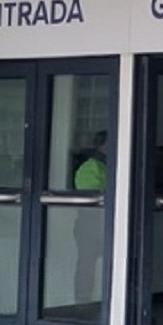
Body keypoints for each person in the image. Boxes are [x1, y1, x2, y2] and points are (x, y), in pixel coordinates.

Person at [73, 131, 108, 306]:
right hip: (91, 223)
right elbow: (94, 197)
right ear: (103, 145)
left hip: (102, 222)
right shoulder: (91, 167)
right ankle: (82, 303)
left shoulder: (106, 165)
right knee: (87, 265)